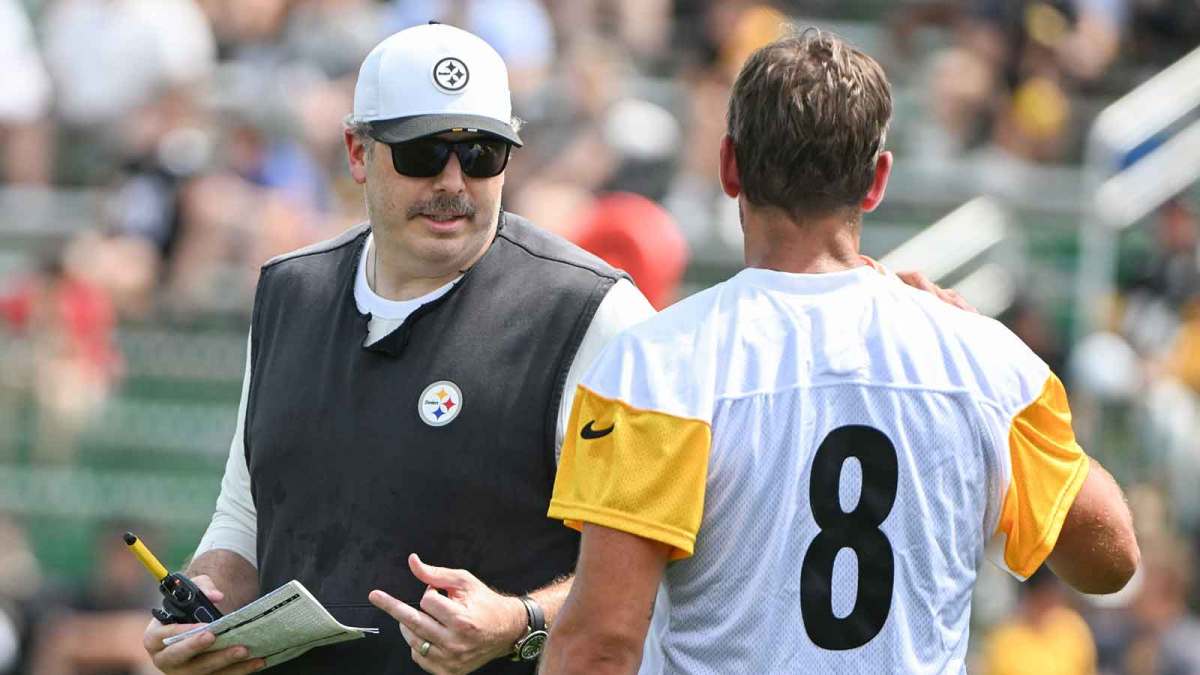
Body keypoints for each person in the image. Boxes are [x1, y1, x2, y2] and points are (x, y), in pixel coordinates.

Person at [541, 28, 1140, 673]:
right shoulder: (983, 360)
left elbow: (602, 643)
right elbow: (1111, 561)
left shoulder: (656, 366)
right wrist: (994, 359)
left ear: (729, 167)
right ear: (877, 180)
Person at [141, 23, 657, 674]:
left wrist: (518, 622)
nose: (453, 181)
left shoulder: (594, 314)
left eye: (482, 154)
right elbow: (245, 513)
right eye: (422, 153)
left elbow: (650, 568)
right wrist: (204, 603)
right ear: (358, 153)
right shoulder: (289, 292)